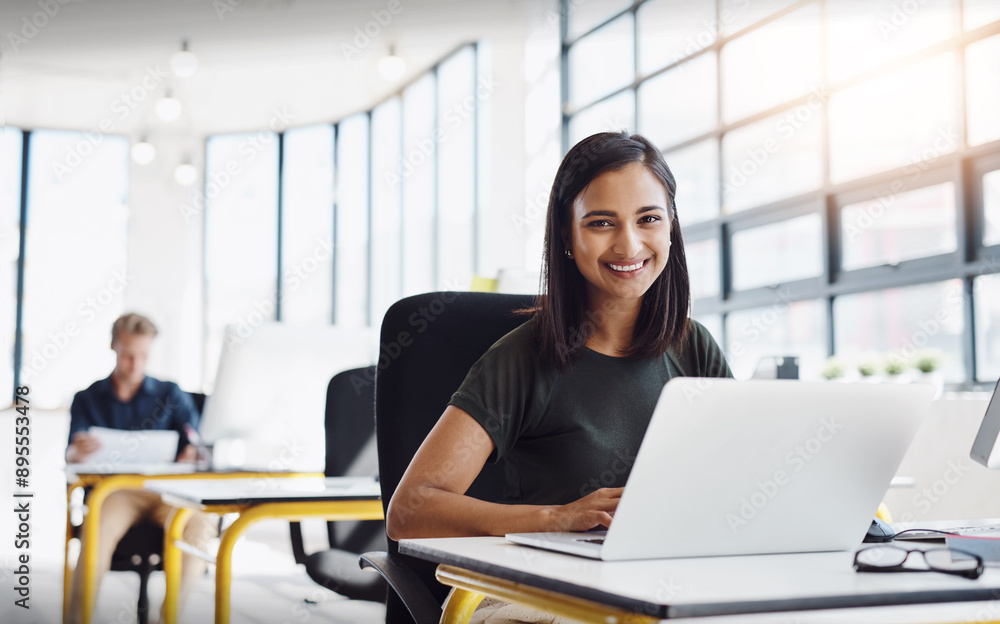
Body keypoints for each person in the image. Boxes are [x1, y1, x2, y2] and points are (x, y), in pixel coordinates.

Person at [386, 131, 734, 623]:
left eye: (649, 218)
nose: (629, 243)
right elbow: (410, 511)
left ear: (671, 227)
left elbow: (737, 480)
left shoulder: (693, 346)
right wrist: (557, 518)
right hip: (535, 592)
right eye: (600, 223)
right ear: (567, 237)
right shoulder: (523, 358)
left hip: (657, 586)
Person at [67, 312, 216, 624]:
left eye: (143, 356)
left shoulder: (171, 394)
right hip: (116, 493)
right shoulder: (87, 398)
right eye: (127, 355)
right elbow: (71, 454)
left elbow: (198, 443)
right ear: (113, 347)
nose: (135, 364)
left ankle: (170, 618)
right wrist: (76, 452)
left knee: (202, 521)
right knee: (96, 522)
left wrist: (194, 452)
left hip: (169, 492)